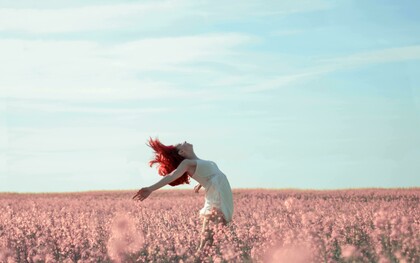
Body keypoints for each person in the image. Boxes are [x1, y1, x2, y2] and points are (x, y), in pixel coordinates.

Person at [133, 138, 234, 252]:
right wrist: (150, 189)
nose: (184, 141)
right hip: (217, 201)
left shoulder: (200, 162)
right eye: (181, 144)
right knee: (206, 247)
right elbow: (172, 175)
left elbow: (212, 176)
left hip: (223, 198)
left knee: (213, 245)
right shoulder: (187, 163)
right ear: (181, 152)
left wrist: (202, 184)